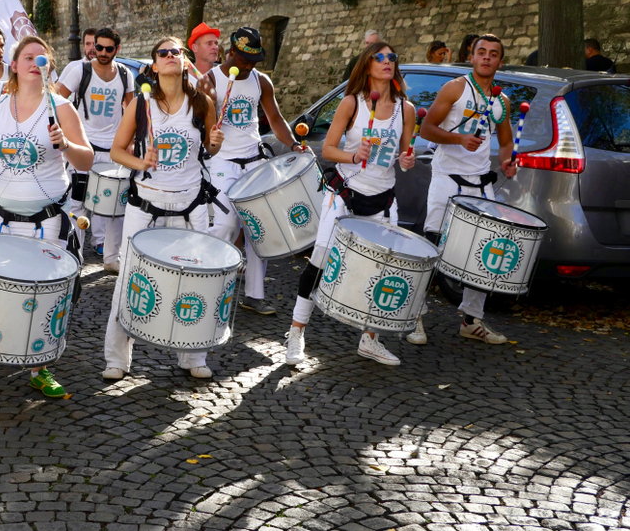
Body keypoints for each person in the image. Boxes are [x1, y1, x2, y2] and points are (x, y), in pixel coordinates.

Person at [0, 36, 94, 397]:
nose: (35, 62)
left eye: (42, 58)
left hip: (46, 216)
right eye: (27, 57)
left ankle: (39, 364)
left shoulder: (61, 107)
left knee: (43, 292)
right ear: (14, 66)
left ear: (49, 67)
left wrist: (66, 144)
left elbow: (87, 160)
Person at [285, 42, 417, 366]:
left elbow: (403, 157)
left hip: (383, 200)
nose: (387, 62)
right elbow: (328, 149)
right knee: (320, 259)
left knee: (384, 269)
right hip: (344, 194)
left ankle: (370, 339)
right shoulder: (351, 103)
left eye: (391, 58)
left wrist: (407, 159)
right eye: (379, 57)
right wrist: (353, 155)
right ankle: (296, 333)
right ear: (367, 65)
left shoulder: (406, 110)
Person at [103, 37, 224, 381]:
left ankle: (193, 356)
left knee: (197, 280)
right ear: (154, 66)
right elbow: (116, 151)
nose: (171, 56)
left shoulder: (202, 103)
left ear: (186, 62)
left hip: (191, 205)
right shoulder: (141, 104)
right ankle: (117, 359)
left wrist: (215, 145)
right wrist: (141, 161)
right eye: (163, 53)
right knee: (130, 280)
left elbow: (209, 152)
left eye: (177, 52)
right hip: (146, 206)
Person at [414, 33, 517, 346]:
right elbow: (428, 128)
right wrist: (459, 139)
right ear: (472, 57)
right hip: (447, 177)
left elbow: (506, 140)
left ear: (500, 61)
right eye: (481, 52)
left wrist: (508, 161)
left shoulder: (501, 101)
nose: (486, 58)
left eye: (493, 54)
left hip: (481, 181)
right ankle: (414, 314)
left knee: (486, 251)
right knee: (432, 245)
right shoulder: (455, 88)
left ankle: (472, 319)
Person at [198, 28, 304, 316]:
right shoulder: (209, 82)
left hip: (254, 160)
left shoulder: (261, 81)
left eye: (253, 60)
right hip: (222, 162)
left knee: (259, 228)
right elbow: (208, 133)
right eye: (244, 59)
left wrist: (293, 144)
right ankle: (210, 284)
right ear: (229, 52)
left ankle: (254, 295)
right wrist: (213, 137)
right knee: (225, 225)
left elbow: (275, 118)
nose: (248, 65)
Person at [57, 27, 135, 273]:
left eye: (107, 49)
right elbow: (56, 100)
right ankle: (75, 258)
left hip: (112, 152)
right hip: (83, 148)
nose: (100, 52)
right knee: (77, 205)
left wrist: (131, 142)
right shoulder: (79, 70)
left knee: (115, 208)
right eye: (97, 47)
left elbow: (131, 109)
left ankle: (112, 258)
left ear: (117, 50)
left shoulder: (124, 74)